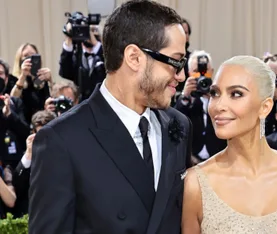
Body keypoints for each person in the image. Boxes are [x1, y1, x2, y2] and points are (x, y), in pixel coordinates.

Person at [29, 1, 192, 234]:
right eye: (175, 62)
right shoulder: (61, 140)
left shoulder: (178, 126)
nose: (182, 75)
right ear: (134, 58)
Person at [182, 55, 277, 233]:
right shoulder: (194, 184)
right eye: (215, 93)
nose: (218, 105)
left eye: (236, 94)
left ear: (265, 107)